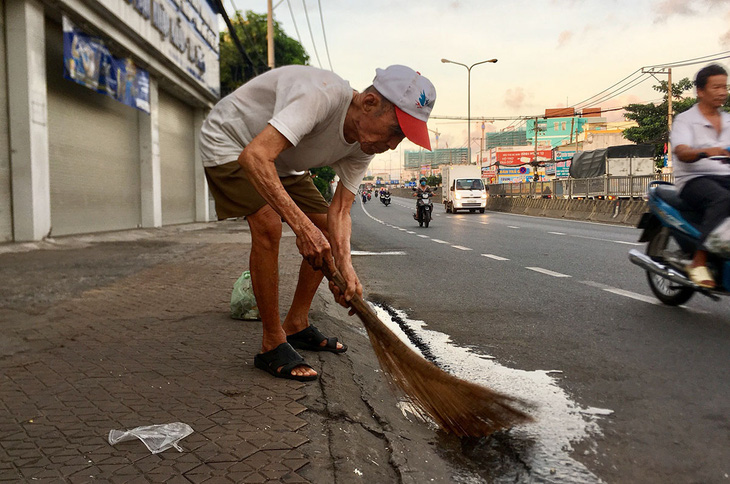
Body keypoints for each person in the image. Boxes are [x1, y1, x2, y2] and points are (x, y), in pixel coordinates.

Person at [200, 64, 436, 381]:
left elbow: (339, 211)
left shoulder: (365, 145)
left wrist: (346, 267)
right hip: (233, 143)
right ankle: (272, 341)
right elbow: (256, 157)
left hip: (283, 160)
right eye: (395, 131)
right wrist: (301, 228)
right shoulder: (321, 96)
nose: (393, 145)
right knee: (269, 223)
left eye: (402, 138)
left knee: (323, 225)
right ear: (368, 103)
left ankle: (296, 323)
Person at [671, 63, 730, 289]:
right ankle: (699, 260)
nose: (722, 92)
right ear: (701, 91)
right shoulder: (686, 120)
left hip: (724, 176)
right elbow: (682, 152)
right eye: (716, 87)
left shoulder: (728, 121)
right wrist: (705, 151)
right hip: (694, 179)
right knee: (723, 199)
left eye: (724, 87)